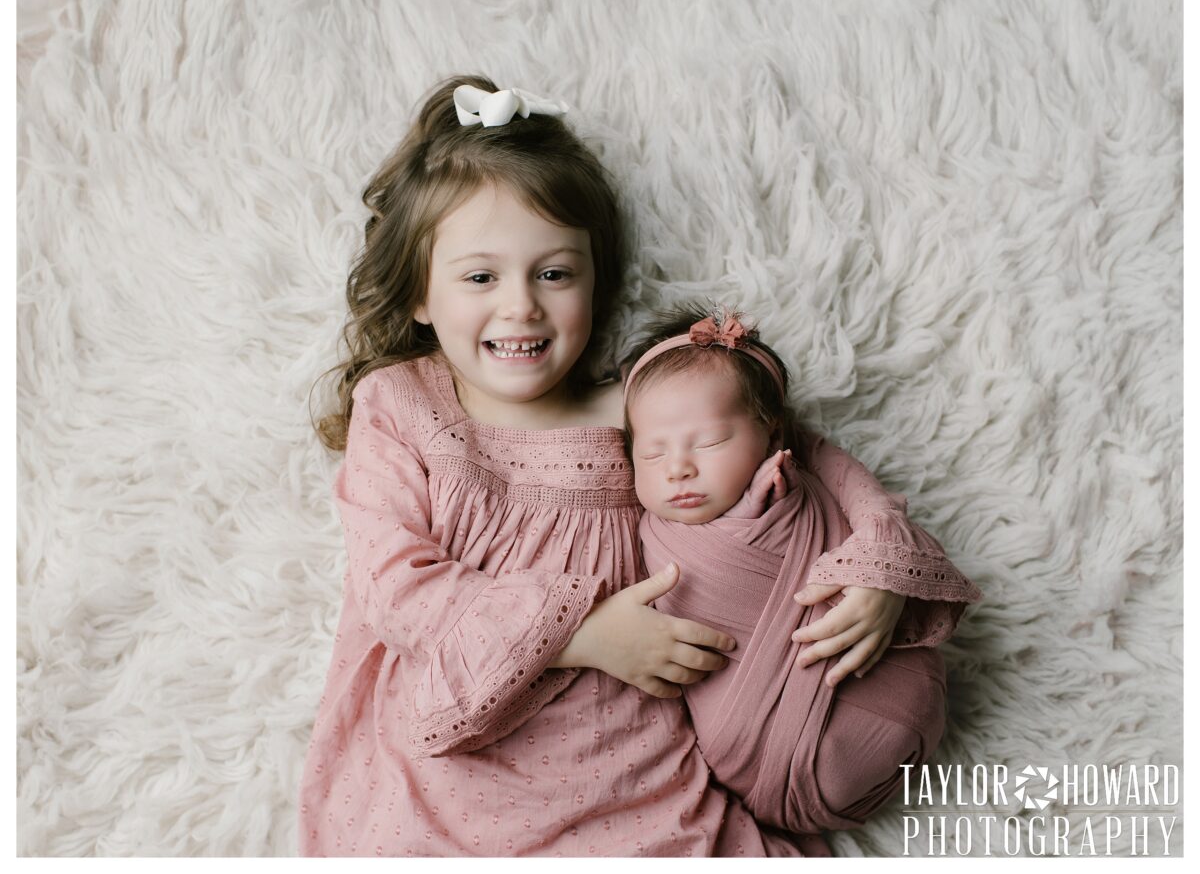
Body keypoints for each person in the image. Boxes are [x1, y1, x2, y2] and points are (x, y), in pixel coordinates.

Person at [300, 74, 973, 857]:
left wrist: (876, 564)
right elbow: (396, 588)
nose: (521, 306)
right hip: (459, 755)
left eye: (554, 273)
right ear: (419, 293)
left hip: (629, 762)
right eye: (480, 276)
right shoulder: (405, 405)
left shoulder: (642, 409)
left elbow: (812, 456)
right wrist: (582, 634)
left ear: (597, 280)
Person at [624, 304, 983, 836]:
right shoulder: (639, 530)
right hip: (750, 754)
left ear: (773, 435)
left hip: (888, 695)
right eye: (652, 454)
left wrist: (878, 577)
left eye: (711, 442)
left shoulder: (799, 475)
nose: (678, 468)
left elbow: (878, 516)